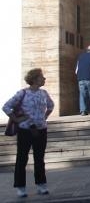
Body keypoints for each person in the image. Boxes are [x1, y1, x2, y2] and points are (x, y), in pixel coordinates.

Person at [3, 68, 54, 198]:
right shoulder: (23, 93)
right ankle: (20, 187)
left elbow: (51, 106)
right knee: (22, 158)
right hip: (25, 130)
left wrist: (44, 118)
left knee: (39, 158)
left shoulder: (44, 93)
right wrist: (16, 119)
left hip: (41, 129)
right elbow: (6, 106)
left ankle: (41, 184)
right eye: (42, 77)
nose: (44, 79)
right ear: (35, 79)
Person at [75, 44, 90, 116]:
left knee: (82, 95)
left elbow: (76, 69)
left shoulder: (80, 56)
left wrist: (79, 76)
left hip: (81, 78)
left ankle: (83, 111)